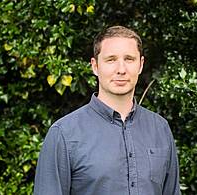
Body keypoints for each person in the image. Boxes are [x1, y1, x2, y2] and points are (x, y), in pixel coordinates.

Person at [34, 25, 181, 195]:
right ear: (95, 66)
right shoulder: (64, 134)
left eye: (129, 59)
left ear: (140, 65)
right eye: (111, 59)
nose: (121, 69)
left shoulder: (160, 128)